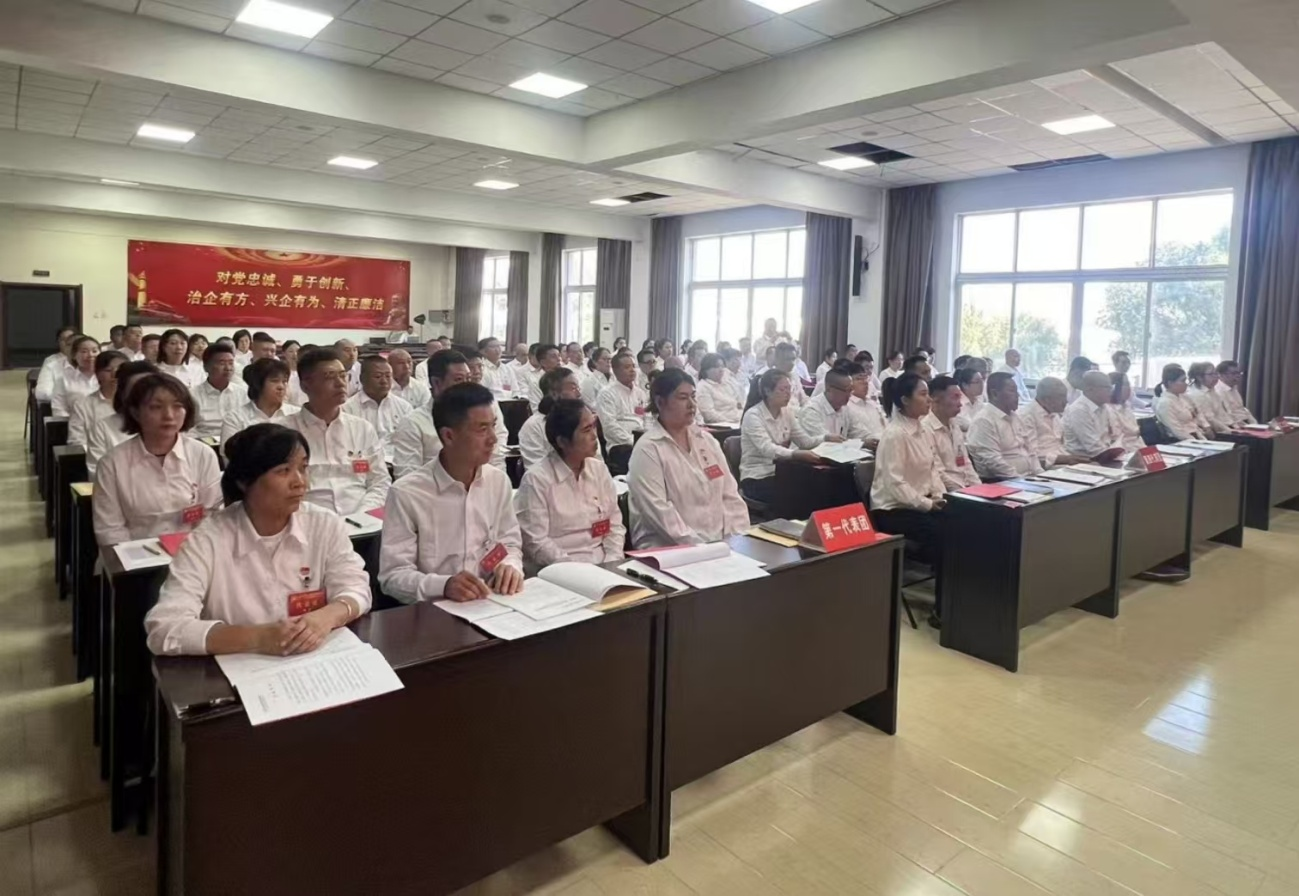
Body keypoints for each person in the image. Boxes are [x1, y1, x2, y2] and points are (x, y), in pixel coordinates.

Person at [143, 424, 371, 657]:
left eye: (303, 468)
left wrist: (326, 617)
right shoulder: (207, 540)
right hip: (240, 668)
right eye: (283, 470)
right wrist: (258, 638)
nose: (300, 482)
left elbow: (357, 587)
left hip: (312, 661)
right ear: (245, 481)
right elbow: (165, 629)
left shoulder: (324, 524)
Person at [379, 383, 523, 603]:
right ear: (448, 436)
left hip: (491, 600)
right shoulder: (408, 493)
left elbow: (509, 543)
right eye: (482, 429)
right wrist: (444, 586)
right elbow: (393, 576)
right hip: (435, 609)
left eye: (493, 426)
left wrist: (509, 565)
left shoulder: (498, 482)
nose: (493, 438)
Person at [93, 372, 222, 546]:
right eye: (156, 407)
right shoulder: (112, 463)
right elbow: (110, 530)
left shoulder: (203, 455)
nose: (169, 415)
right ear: (135, 412)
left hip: (192, 551)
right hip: (134, 555)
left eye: (177, 406)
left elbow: (211, 515)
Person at [627, 368, 749, 547]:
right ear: (660, 402)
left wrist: (737, 537)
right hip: (669, 548)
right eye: (683, 398)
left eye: (693, 396)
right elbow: (660, 513)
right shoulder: (648, 449)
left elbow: (730, 495)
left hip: (719, 545)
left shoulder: (706, 440)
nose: (692, 404)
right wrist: (704, 548)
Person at [870, 373, 947, 628]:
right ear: (905, 400)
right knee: (944, 537)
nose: (929, 399)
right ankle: (942, 609)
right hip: (893, 510)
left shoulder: (923, 429)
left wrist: (938, 495)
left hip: (922, 503)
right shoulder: (895, 434)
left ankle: (962, 599)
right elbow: (895, 484)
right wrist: (927, 504)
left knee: (965, 524)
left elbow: (933, 469)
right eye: (923, 394)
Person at [516, 399, 625, 567]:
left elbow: (615, 525)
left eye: (594, 426)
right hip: (559, 570)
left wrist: (612, 562)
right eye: (586, 430)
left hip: (603, 565)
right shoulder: (536, 480)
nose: (595, 436)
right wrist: (574, 570)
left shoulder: (599, 469)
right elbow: (536, 542)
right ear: (562, 442)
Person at [283, 347, 390, 515]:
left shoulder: (362, 428)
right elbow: (278, 489)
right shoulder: (283, 431)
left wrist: (362, 515)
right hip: (307, 519)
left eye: (343, 375)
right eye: (329, 377)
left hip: (362, 519)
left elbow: (380, 481)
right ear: (305, 385)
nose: (340, 383)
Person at [391, 350, 507, 478]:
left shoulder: (485, 414)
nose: (466, 385)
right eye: (459, 379)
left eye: (468, 378)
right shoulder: (413, 424)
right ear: (437, 383)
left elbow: (496, 459)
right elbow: (408, 478)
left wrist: (494, 484)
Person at [738, 369, 821, 503]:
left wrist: (826, 438)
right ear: (767, 391)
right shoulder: (753, 416)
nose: (788, 394)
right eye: (783, 389)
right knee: (799, 493)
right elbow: (767, 449)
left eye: (789, 389)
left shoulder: (787, 412)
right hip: (757, 477)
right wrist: (795, 454)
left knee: (819, 484)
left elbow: (805, 442)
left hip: (782, 471)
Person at [967, 371, 1044, 479]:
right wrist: (1021, 480)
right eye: (1012, 391)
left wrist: (1041, 475)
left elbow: (1031, 452)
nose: (1017, 395)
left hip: (1028, 479)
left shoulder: (1016, 417)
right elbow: (993, 462)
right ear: (995, 394)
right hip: (1002, 481)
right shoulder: (984, 421)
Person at [341, 355, 413, 465]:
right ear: (362, 379)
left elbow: (409, 443)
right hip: (362, 464)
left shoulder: (404, 407)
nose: (384, 381)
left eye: (388, 376)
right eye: (378, 376)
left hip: (398, 464)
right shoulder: (347, 408)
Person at [219, 357, 300, 451]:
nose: (281, 386)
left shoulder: (297, 414)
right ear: (258, 384)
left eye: (284, 381)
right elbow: (229, 454)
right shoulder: (235, 418)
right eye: (275, 381)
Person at [68, 351, 127, 475]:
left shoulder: (138, 405)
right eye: (108, 370)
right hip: (99, 464)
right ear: (97, 374)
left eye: (120, 370)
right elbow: (77, 441)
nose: (115, 374)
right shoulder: (83, 405)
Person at [923, 374, 981, 491]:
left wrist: (979, 488)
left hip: (966, 489)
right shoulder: (925, 429)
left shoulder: (954, 425)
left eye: (960, 398)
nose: (960, 403)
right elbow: (938, 473)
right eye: (955, 397)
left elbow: (966, 464)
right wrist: (963, 493)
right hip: (946, 492)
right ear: (936, 399)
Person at [519, 368, 582, 469]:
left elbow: (596, 461)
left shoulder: (583, 420)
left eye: (578, 388)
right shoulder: (533, 426)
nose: (579, 394)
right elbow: (537, 471)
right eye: (573, 388)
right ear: (554, 393)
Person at [1062, 371, 1126, 461]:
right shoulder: (1079, 410)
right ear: (1090, 389)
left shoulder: (1104, 407)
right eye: (1107, 388)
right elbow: (1093, 448)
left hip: (1103, 457)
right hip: (1082, 460)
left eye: (1111, 387)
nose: (1111, 391)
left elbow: (1116, 435)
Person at [189, 343, 249, 439]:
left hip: (237, 442)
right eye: (222, 363)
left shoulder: (242, 393)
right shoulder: (192, 395)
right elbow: (188, 429)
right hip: (204, 442)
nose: (228, 368)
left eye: (231, 363)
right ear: (206, 367)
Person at [595, 350, 648, 451]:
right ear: (615, 371)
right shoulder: (607, 393)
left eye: (633, 366)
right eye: (627, 367)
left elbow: (647, 419)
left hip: (642, 441)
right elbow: (610, 426)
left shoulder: (640, 393)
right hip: (620, 445)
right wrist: (633, 441)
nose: (632, 370)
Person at [792, 367, 853, 448]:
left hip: (836, 452)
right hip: (809, 454)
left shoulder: (845, 408)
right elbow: (827, 442)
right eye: (846, 390)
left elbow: (853, 434)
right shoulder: (811, 411)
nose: (849, 395)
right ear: (829, 389)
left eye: (851, 390)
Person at [1153, 363, 1210, 441]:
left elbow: (1196, 414)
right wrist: (1196, 442)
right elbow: (1177, 431)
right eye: (1182, 381)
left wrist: (1203, 435)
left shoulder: (1183, 397)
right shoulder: (1165, 403)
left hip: (1195, 434)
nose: (1186, 384)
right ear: (1170, 383)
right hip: (1181, 440)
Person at [50, 335, 101, 416]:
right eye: (84, 351)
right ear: (74, 355)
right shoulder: (63, 379)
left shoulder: (109, 377)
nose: (90, 355)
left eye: (94, 351)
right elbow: (59, 409)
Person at [696, 352, 743, 426]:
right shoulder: (703, 386)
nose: (721, 370)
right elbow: (709, 415)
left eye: (722, 366)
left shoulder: (727, 383)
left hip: (738, 420)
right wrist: (731, 421)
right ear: (706, 369)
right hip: (722, 426)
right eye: (716, 367)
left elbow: (739, 402)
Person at [1187, 361, 1232, 434]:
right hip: (1210, 431)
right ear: (1199, 377)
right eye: (1211, 374)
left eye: (1216, 373)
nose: (1216, 376)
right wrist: (1230, 431)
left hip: (1223, 427)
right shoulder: (1197, 394)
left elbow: (1222, 414)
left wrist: (1234, 426)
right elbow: (1210, 419)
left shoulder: (1213, 391)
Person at [35, 326, 78, 401]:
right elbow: (42, 392)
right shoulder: (51, 362)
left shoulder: (88, 360)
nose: (67, 342)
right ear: (58, 342)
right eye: (63, 339)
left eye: (71, 339)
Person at [1108, 373, 1145, 452]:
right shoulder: (1109, 409)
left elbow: (1137, 435)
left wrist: (1145, 450)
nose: (1129, 388)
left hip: (1137, 447)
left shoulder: (1127, 406)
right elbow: (1117, 440)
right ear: (1115, 387)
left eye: (1129, 384)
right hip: (1125, 451)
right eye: (1126, 384)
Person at [1215, 360, 1257, 426]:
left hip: (1245, 423)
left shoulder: (1233, 389)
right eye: (1234, 373)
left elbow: (1242, 409)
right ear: (1222, 375)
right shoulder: (1218, 391)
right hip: (1233, 425)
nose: (1238, 376)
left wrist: (1254, 424)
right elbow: (1226, 415)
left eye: (1239, 373)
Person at [281, 339, 305, 405]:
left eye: (297, 351)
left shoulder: (306, 373)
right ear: (284, 353)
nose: (295, 354)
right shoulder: (281, 373)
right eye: (291, 351)